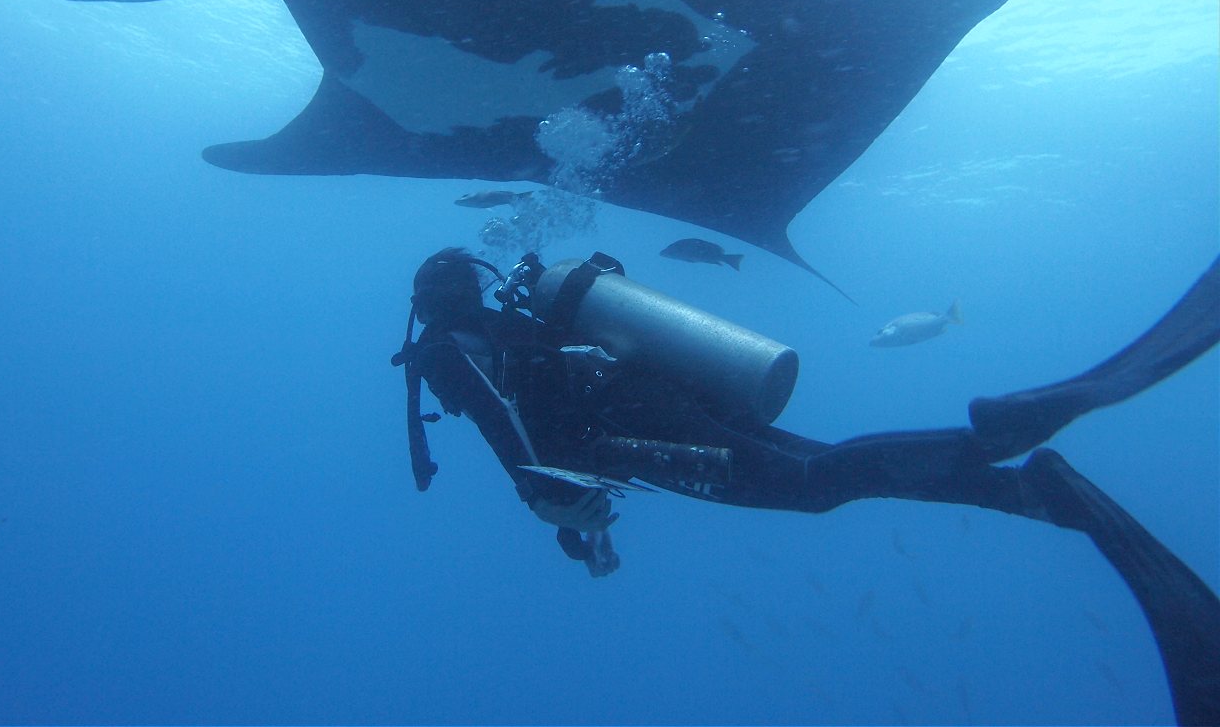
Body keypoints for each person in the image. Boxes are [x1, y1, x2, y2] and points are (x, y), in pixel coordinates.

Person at [394, 247, 1219, 726]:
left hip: (634, 427)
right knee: (819, 467)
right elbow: (548, 422)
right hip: (656, 395)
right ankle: (1019, 488)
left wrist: (538, 500)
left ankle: (997, 437)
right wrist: (579, 526)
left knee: (812, 484)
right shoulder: (512, 326)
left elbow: (510, 425)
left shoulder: (441, 348)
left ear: (425, 305)